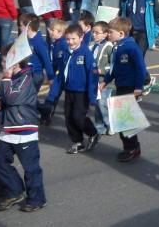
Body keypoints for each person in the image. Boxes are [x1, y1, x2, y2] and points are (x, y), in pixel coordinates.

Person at [0, 46, 46, 212]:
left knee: (31, 169)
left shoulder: (27, 77)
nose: (1, 63)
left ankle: (37, 199)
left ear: (14, 62)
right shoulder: (13, 77)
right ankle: (14, 190)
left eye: (4, 60)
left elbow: (13, 97)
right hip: (8, 130)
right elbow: (5, 97)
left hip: (24, 131)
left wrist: (6, 80)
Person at [45, 25, 99, 154]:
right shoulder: (65, 53)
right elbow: (60, 76)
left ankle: (93, 133)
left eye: (73, 39)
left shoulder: (86, 53)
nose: (70, 42)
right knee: (68, 117)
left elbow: (93, 76)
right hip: (69, 90)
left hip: (82, 92)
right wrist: (52, 96)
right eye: (68, 39)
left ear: (81, 38)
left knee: (78, 117)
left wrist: (92, 96)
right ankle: (78, 141)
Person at [100, 18, 146, 162]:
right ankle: (132, 147)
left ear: (121, 33)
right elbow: (114, 68)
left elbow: (141, 68)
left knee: (126, 121)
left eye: (110, 32)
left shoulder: (131, 47)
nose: (108, 34)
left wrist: (139, 87)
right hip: (121, 86)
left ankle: (132, 148)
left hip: (130, 87)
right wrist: (105, 81)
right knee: (122, 121)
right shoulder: (117, 47)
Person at [118, 0, 159, 90]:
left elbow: (158, 16)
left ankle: (140, 84)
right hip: (129, 33)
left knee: (138, 57)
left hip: (144, 33)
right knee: (130, 58)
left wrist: (155, 32)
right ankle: (145, 79)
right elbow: (121, 13)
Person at [89, 21, 114, 136]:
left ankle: (110, 125)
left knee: (103, 104)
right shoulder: (93, 46)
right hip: (95, 81)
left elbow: (113, 64)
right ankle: (100, 127)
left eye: (97, 33)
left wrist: (102, 70)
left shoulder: (109, 47)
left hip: (105, 81)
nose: (94, 35)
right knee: (98, 104)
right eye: (93, 32)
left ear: (105, 34)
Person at [19, 14, 54, 92]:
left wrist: (51, 78)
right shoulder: (26, 39)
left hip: (35, 75)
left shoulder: (39, 44)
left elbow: (47, 61)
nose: (19, 28)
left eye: (21, 26)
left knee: (29, 97)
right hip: (27, 72)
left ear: (28, 27)